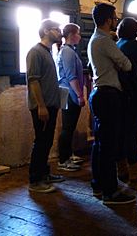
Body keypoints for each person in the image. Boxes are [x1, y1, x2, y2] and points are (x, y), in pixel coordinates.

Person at [87, 3, 135, 205]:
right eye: (114, 18)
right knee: (108, 145)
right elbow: (127, 64)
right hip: (108, 94)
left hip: (99, 93)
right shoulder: (104, 41)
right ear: (108, 20)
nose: (116, 21)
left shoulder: (95, 40)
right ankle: (110, 191)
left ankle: (99, 183)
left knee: (100, 143)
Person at [26, 19, 65, 193]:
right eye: (57, 29)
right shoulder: (35, 52)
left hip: (50, 104)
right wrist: (41, 106)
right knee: (41, 141)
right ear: (47, 30)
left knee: (47, 141)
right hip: (42, 106)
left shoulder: (48, 52)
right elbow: (33, 80)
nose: (60, 32)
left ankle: (44, 173)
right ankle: (35, 180)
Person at [116, 17, 137, 181]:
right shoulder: (133, 44)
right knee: (132, 132)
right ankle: (134, 169)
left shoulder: (117, 44)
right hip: (135, 91)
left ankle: (124, 167)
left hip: (122, 92)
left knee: (124, 131)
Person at [56, 23, 84, 172]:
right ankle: (63, 159)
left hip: (68, 93)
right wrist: (79, 95)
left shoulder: (69, 51)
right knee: (67, 127)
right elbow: (71, 76)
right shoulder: (67, 52)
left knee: (70, 127)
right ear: (72, 35)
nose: (80, 36)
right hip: (69, 94)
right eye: (78, 33)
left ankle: (68, 154)